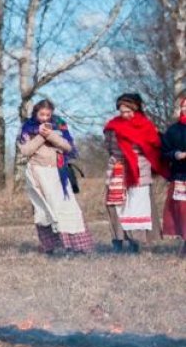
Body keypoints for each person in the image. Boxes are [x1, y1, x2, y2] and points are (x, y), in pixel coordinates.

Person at [17, 99, 94, 255]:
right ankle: (50, 246)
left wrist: (51, 135)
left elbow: (68, 147)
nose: (45, 118)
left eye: (48, 114)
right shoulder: (28, 128)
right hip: (38, 173)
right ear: (36, 113)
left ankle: (77, 246)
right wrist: (40, 135)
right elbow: (25, 151)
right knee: (46, 210)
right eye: (41, 114)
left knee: (67, 208)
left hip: (58, 173)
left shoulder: (59, 125)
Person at [103, 93, 168, 253]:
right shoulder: (112, 127)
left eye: (128, 111)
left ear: (136, 108)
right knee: (117, 206)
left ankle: (138, 242)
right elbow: (110, 149)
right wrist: (115, 165)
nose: (125, 114)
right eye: (122, 111)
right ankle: (118, 241)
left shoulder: (146, 126)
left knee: (138, 207)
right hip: (118, 169)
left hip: (139, 172)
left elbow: (155, 148)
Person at [160, 95, 186, 257]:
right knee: (182, 211)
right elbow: (163, 152)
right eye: (184, 107)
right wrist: (176, 155)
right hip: (181, 175)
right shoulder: (173, 130)